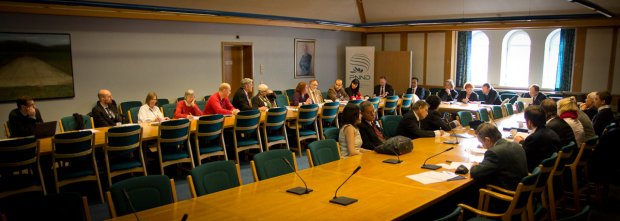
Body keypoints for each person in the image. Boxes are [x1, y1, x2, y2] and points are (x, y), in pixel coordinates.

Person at [471, 123, 528, 190]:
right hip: (522, 190)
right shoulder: (516, 145)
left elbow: (476, 173)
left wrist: (474, 166)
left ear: (487, 140)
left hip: (507, 194)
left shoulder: (494, 153)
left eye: (482, 143)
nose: (483, 146)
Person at [513, 105, 561, 171]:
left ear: (529, 122)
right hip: (549, 167)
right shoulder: (550, 131)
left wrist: (520, 142)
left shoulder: (533, 138)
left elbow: (523, 156)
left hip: (534, 170)